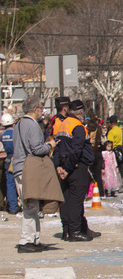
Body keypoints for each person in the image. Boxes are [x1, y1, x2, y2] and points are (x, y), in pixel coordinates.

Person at [12, 99, 55, 251]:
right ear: (35, 109)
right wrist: (50, 145)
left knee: (32, 206)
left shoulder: (18, 124)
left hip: (19, 168)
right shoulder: (32, 125)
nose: (42, 112)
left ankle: (34, 238)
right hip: (28, 169)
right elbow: (37, 149)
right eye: (41, 109)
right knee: (30, 206)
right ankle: (26, 241)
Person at [54, 100, 96, 242]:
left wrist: (59, 166)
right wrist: (68, 168)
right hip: (76, 168)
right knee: (76, 201)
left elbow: (58, 147)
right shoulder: (78, 126)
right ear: (80, 112)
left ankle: (66, 230)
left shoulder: (62, 124)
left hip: (65, 166)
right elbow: (77, 150)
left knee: (66, 200)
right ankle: (75, 231)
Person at [1, 113, 16, 216]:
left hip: (8, 160)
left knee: (10, 184)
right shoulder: (16, 132)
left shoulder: (2, 135)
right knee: (21, 183)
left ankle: (13, 207)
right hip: (18, 160)